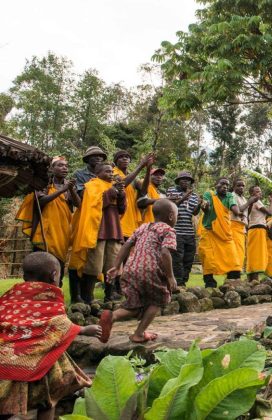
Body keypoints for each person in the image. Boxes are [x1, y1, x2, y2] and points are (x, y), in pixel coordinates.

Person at [0, 252, 102, 419]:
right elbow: (58, 323)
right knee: (49, 397)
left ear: (24, 276)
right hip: (32, 365)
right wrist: (83, 330)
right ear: (54, 275)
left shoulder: (13, 294)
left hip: (4, 361)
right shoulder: (50, 295)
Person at [101, 199, 178, 344]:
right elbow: (165, 252)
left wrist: (117, 266)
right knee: (159, 299)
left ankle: (113, 316)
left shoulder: (143, 227)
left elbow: (126, 245)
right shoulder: (169, 230)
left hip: (131, 269)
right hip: (151, 270)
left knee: (135, 306)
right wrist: (170, 277)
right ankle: (139, 334)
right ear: (171, 217)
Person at [16, 157, 80, 285]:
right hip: (45, 232)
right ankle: (36, 292)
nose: (64, 168)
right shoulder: (44, 184)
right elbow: (40, 201)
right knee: (41, 263)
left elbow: (78, 204)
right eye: (60, 165)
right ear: (52, 168)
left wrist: (71, 189)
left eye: (66, 166)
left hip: (62, 231)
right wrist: (62, 190)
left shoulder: (69, 186)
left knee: (58, 264)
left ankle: (56, 292)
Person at [70, 163, 126, 303]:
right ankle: (87, 296)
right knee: (94, 265)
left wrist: (122, 195)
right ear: (98, 173)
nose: (111, 174)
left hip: (114, 229)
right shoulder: (92, 185)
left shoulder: (113, 185)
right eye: (107, 171)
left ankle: (109, 295)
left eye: (111, 171)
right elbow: (94, 204)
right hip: (98, 229)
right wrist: (112, 192)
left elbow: (121, 210)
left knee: (112, 264)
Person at [69, 146, 108, 303]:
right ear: (87, 159)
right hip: (85, 216)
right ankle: (75, 295)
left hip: (101, 218)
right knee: (79, 254)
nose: (97, 158)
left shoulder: (107, 176)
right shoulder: (80, 174)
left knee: (94, 258)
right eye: (93, 156)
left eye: (100, 156)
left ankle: (88, 295)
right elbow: (80, 197)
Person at [198, 178, 241, 288]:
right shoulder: (209, 194)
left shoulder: (229, 196)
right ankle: (209, 283)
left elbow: (233, 206)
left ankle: (233, 281)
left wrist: (238, 212)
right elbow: (206, 208)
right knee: (208, 258)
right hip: (209, 232)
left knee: (232, 257)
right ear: (216, 184)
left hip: (225, 234)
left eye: (227, 184)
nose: (225, 186)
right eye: (222, 184)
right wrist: (205, 205)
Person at [166, 171, 201, 287]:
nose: (186, 181)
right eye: (183, 179)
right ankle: (178, 282)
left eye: (188, 179)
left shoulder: (194, 196)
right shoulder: (172, 190)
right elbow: (172, 206)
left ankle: (183, 282)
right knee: (177, 258)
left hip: (190, 232)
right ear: (178, 181)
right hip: (176, 231)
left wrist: (200, 204)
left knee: (189, 259)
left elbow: (194, 212)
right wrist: (185, 196)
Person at [113, 151, 154, 239]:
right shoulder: (113, 172)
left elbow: (144, 191)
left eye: (127, 157)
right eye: (121, 157)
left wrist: (148, 170)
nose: (125, 158)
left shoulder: (132, 176)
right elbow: (122, 184)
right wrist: (141, 165)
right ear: (116, 161)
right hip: (118, 216)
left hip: (131, 217)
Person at [245, 186, 272, 280]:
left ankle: (251, 279)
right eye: (257, 191)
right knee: (256, 254)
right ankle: (254, 279)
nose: (260, 193)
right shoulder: (256, 202)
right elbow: (270, 212)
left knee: (253, 254)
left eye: (260, 191)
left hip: (254, 230)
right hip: (257, 230)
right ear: (252, 194)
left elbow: (266, 214)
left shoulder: (254, 202)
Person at [230, 179, 250, 275]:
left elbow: (245, 214)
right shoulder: (232, 196)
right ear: (234, 186)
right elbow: (237, 210)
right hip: (234, 225)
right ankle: (234, 273)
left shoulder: (243, 198)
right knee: (235, 251)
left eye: (243, 186)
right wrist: (250, 202)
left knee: (241, 251)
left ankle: (237, 271)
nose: (241, 187)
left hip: (242, 228)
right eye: (239, 185)